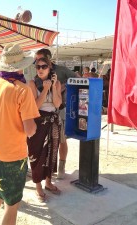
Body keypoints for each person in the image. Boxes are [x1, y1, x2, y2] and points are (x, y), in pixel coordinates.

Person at [0, 43, 40, 225]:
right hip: (13, 155)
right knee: (12, 204)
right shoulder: (22, 90)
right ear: (22, 66)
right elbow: (30, 130)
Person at [35, 48, 79, 179]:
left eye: (41, 61)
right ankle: (45, 169)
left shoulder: (61, 70)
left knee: (61, 140)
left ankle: (61, 165)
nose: (38, 65)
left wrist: (64, 86)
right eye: (37, 62)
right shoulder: (37, 72)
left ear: (48, 60)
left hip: (59, 109)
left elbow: (78, 78)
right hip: (41, 113)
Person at [27, 57, 62, 202]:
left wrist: (53, 87)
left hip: (52, 121)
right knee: (36, 153)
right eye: (38, 67)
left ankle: (48, 182)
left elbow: (58, 103)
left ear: (50, 68)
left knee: (52, 153)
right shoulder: (32, 83)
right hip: (38, 122)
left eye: (44, 66)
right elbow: (35, 106)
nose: (40, 69)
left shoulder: (57, 83)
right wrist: (45, 88)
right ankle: (38, 187)